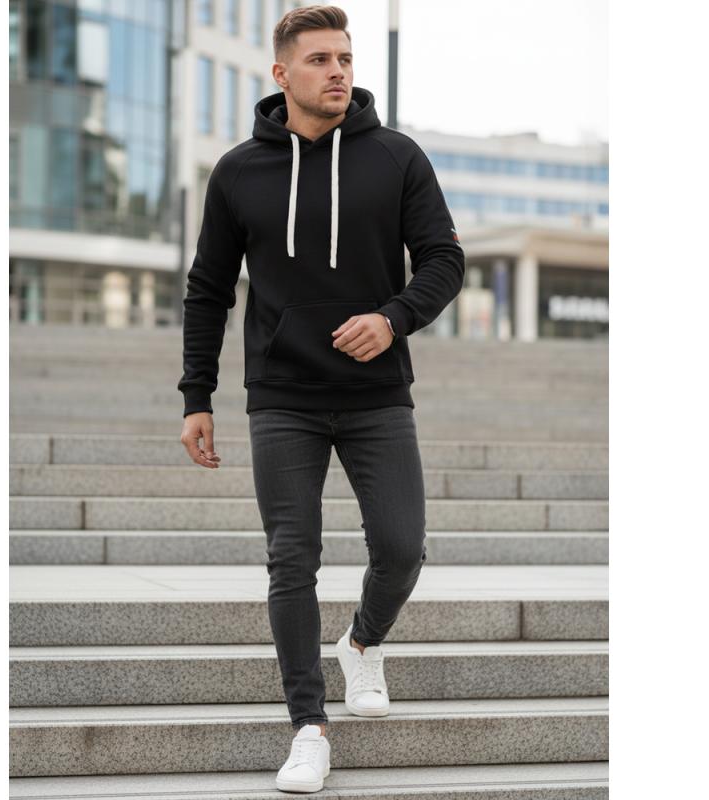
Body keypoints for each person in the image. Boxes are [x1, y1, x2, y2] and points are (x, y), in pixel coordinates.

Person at [178, 4, 465, 793]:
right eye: (320, 59)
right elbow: (208, 290)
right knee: (291, 558)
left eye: (345, 57)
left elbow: (443, 259)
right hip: (282, 396)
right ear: (281, 74)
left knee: (401, 547)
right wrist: (196, 395)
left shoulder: (397, 158)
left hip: (377, 395)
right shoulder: (239, 171)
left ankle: (363, 643)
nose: (338, 71)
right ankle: (308, 726)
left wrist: (393, 317)